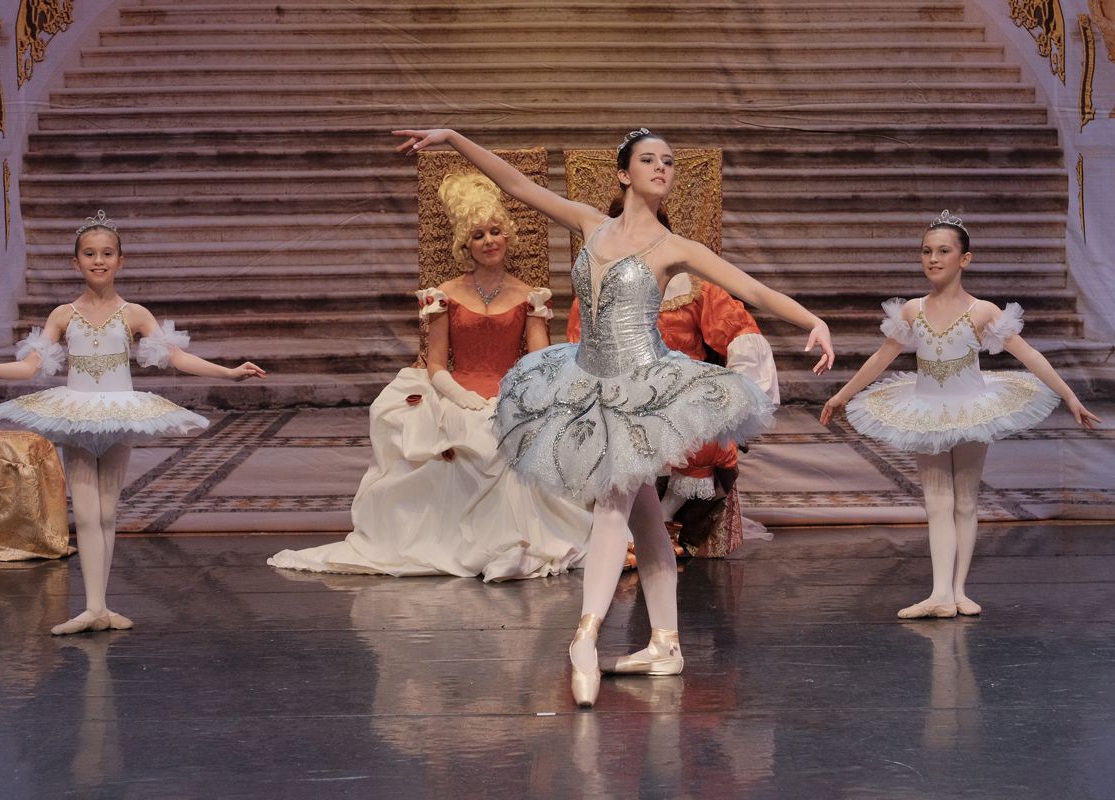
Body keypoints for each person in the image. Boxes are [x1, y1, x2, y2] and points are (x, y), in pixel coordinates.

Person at [394, 127, 834, 707]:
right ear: (624, 174)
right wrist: (455, 138)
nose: (662, 168)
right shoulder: (589, 224)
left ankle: (585, 636)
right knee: (646, 520)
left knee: (612, 503)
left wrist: (813, 321)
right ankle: (665, 644)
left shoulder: (675, 248)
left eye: (669, 161)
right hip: (587, 379)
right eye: (649, 160)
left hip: (642, 387)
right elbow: (517, 185)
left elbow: (752, 289)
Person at [0, 210, 266, 635]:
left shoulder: (134, 314)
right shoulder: (63, 315)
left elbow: (177, 357)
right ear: (76, 262)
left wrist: (229, 373)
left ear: (120, 261)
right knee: (87, 515)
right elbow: (28, 367)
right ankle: (92, 608)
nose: (98, 260)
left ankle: (100, 608)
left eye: (107, 253)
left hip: (118, 415)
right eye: (89, 254)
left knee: (107, 514)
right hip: (77, 416)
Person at [267, 173, 592, 581]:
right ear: (465, 245)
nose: (489, 241)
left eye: (495, 231)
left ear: (508, 236)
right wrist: (458, 395)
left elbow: (538, 360)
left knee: (511, 439)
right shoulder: (445, 295)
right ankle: (475, 546)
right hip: (455, 393)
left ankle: (516, 545)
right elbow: (436, 363)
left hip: (509, 395)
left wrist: (520, 397)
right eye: (478, 235)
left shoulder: (530, 296)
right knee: (468, 441)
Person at [820, 210, 1099, 619]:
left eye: (943, 251)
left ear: (964, 259)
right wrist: (841, 395)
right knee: (937, 501)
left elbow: (1030, 355)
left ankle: (957, 591)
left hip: (971, 408)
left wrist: (1070, 397)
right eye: (926, 251)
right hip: (926, 410)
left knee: (965, 500)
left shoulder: (982, 311)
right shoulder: (912, 310)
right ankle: (939, 594)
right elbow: (881, 359)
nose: (933, 259)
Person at [568, 272, 780, 557]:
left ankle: (665, 519)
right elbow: (580, 348)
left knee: (701, 440)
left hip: (682, 392)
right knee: (615, 439)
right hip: (623, 391)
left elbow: (739, 329)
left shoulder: (692, 290)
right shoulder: (599, 293)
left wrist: (734, 391)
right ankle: (627, 527)